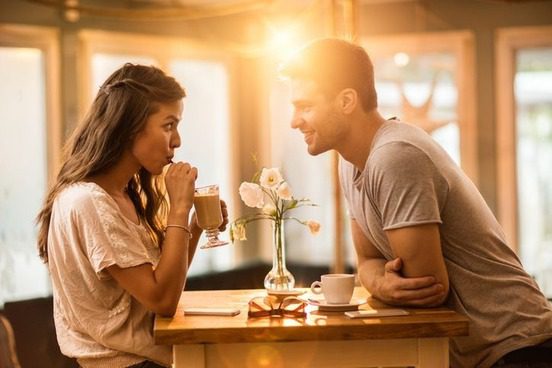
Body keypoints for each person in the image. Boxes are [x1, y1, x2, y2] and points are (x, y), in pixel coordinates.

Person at [280, 38, 552, 368]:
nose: (295, 121)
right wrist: (380, 280)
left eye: (305, 106)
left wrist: (378, 279)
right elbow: (366, 260)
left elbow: (428, 289)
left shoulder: (395, 156)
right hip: (477, 353)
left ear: (347, 101)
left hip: (519, 349)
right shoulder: (349, 162)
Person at [36, 63, 228, 368]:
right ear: (130, 127)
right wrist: (178, 207)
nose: (176, 141)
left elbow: (164, 282)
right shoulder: (91, 202)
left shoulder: (121, 194)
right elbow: (162, 301)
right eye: (168, 125)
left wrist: (193, 226)